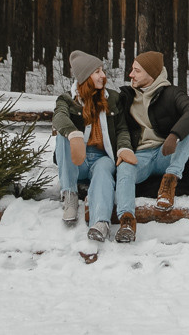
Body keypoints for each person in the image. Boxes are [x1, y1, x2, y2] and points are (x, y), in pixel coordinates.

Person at [112, 51, 189, 243]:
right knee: (124, 166)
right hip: (140, 156)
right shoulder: (127, 96)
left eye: (136, 71)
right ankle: (127, 220)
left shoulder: (171, 93)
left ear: (151, 74)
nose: (130, 75)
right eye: (132, 70)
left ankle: (169, 183)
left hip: (165, 155)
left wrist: (174, 135)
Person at [51, 51, 121, 242]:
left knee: (104, 171)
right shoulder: (67, 99)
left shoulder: (112, 98)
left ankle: (101, 222)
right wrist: (73, 133)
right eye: (97, 71)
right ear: (85, 77)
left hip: (102, 157)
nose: (103, 76)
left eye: (102, 70)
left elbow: (122, 128)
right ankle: (70, 195)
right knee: (62, 137)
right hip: (77, 159)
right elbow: (59, 116)